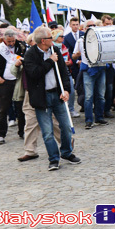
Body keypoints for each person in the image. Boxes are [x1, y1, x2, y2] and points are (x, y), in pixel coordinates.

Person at [23, 27, 80, 170]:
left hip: (57, 94)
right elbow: (35, 73)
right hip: (41, 97)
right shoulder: (30, 54)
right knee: (47, 132)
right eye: (50, 37)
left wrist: (66, 89)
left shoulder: (55, 50)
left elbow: (63, 72)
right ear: (43, 41)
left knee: (66, 127)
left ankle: (66, 152)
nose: (53, 40)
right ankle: (53, 158)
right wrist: (49, 61)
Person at [0, 29, 27, 144]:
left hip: (17, 81)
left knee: (21, 108)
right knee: (3, 109)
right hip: (4, 82)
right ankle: (0, 134)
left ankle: (23, 131)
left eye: (13, 41)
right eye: (9, 41)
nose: (11, 43)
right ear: (4, 40)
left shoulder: (20, 47)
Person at [73, 20, 109, 129]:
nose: (92, 27)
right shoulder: (80, 41)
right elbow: (74, 56)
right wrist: (77, 56)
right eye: (89, 26)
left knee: (101, 96)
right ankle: (88, 120)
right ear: (84, 29)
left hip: (101, 68)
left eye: (93, 25)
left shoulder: (102, 39)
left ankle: (99, 117)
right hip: (88, 70)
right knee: (88, 97)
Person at [62, 17, 84, 117]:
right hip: (74, 65)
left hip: (84, 62)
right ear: (70, 25)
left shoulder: (84, 35)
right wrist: (76, 61)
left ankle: (83, 103)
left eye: (77, 24)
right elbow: (68, 52)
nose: (75, 26)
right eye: (73, 25)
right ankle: (76, 105)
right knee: (77, 85)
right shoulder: (66, 37)